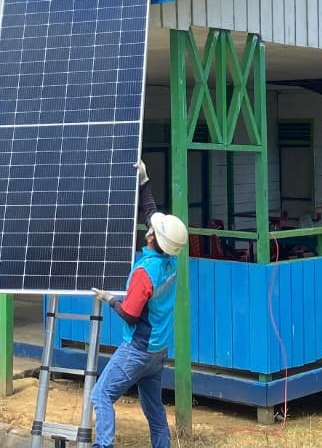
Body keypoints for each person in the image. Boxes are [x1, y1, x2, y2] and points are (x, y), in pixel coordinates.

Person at [89, 161, 190, 448]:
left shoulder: (145, 272)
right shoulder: (171, 260)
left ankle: (103, 445)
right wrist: (144, 181)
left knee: (101, 395)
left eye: (152, 229)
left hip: (138, 350)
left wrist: (109, 300)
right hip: (158, 351)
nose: (149, 226)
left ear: (152, 239)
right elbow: (152, 213)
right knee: (153, 407)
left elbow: (131, 315)